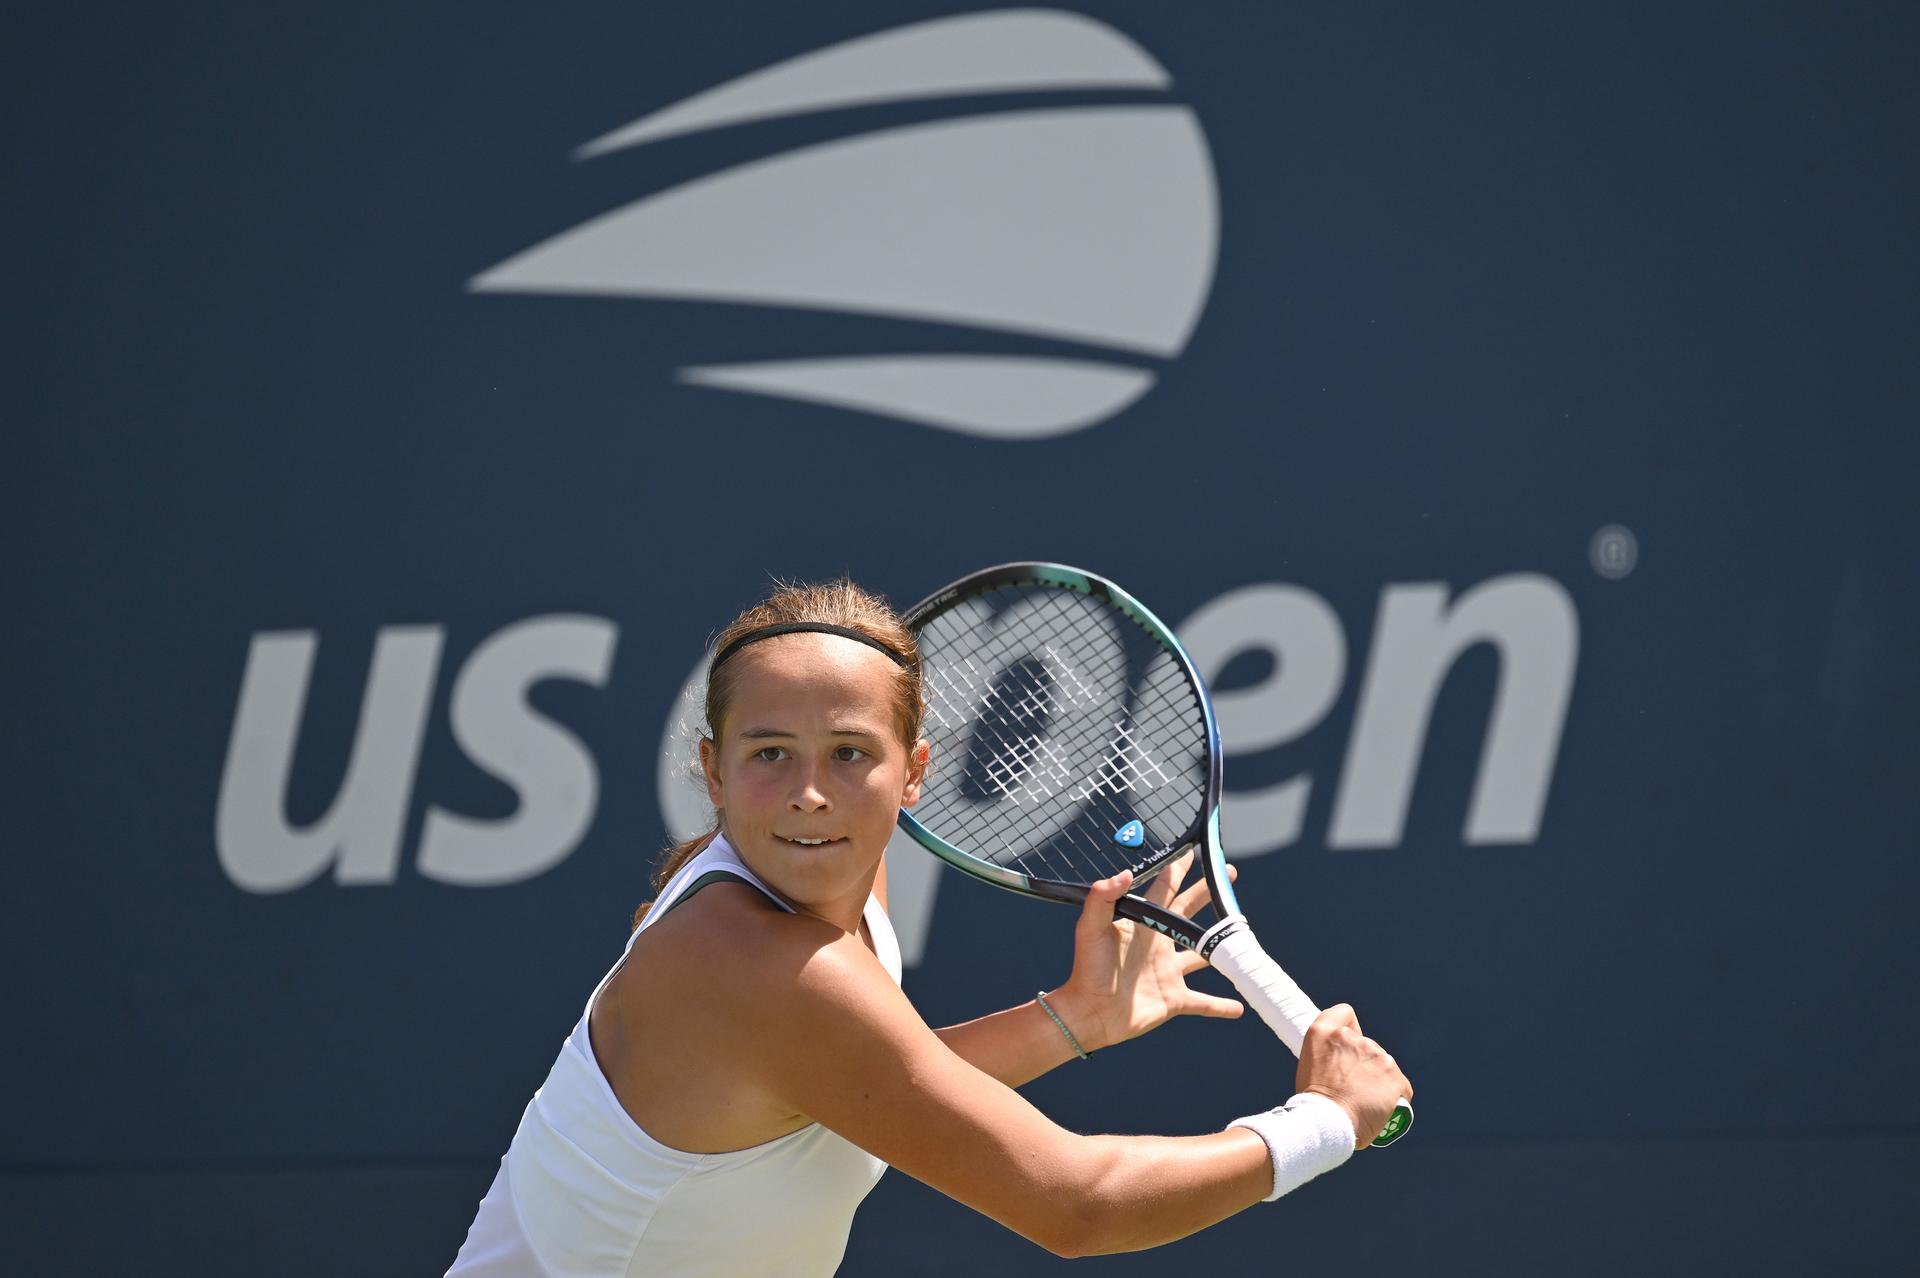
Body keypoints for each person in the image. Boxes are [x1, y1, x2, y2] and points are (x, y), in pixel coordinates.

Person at [447, 580, 1411, 1276]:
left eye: (849, 754)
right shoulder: (749, 958)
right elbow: (1078, 1205)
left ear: (912, 776)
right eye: (770, 752)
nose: (809, 793)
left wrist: (1068, 1020)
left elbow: (853, 1088)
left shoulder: (833, 901)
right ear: (712, 767)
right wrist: (1324, 1122)